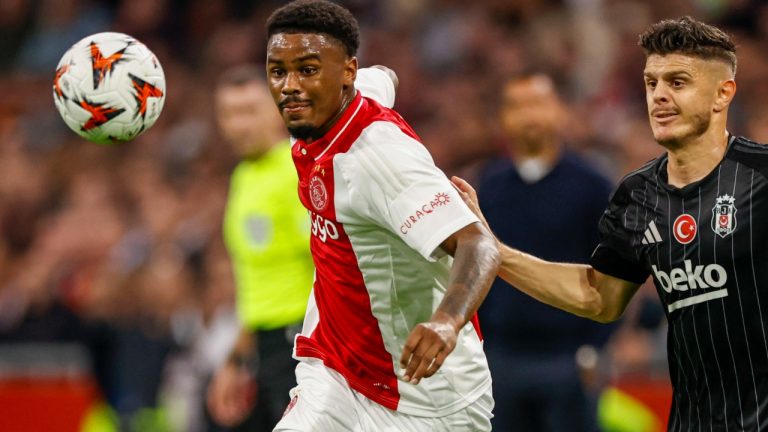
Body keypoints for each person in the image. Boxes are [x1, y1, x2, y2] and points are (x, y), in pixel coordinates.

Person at [453, 16, 768, 431]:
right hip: (694, 420)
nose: (658, 96)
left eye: (678, 82)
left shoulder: (761, 176)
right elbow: (599, 297)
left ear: (722, 93)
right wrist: (498, 252)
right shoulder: (637, 194)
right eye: (652, 82)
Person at [264, 1, 501, 431]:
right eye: (278, 71)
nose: (289, 87)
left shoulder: (378, 159)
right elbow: (385, 77)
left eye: (308, 70)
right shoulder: (343, 99)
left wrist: (447, 321)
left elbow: (478, 243)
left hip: (426, 399)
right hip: (336, 372)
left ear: (347, 72)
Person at [476, 72, 614, 431]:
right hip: (502, 355)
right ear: (502, 118)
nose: (528, 116)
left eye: (537, 104)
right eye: (516, 106)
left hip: (568, 356)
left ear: (560, 111)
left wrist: (595, 347)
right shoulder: (488, 187)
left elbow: (615, 273)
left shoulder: (593, 186)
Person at [206, 65, 314, 431]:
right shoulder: (244, 176)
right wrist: (237, 358)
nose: (239, 125)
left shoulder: (297, 170)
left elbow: (329, 262)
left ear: (277, 109)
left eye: (249, 111)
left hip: (305, 342)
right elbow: (256, 283)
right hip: (267, 345)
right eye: (230, 114)